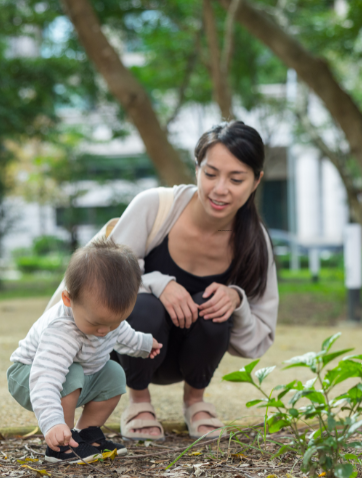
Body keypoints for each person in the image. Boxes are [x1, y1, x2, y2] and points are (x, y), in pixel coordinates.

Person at [108, 121, 279, 440]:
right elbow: (105, 280)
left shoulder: (255, 242)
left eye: (236, 178)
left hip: (189, 360)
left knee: (214, 309)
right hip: (128, 348)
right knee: (145, 307)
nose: (220, 189)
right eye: (211, 174)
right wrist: (158, 283)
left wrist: (237, 301)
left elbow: (257, 341)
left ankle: (195, 401)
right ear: (196, 169)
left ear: (256, 181)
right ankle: (138, 402)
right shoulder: (154, 206)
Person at [7, 238, 163, 462]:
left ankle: (85, 435)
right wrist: (52, 422)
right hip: (29, 376)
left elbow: (125, 335)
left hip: (71, 377)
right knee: (73, 372)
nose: (104, 331)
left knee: (113, 372)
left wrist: (145, 344)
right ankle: (61, 444)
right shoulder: (62, 330)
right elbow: (46, 379)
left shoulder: (106, 322)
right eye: (96, 323)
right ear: (68, 299)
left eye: (113, 322)